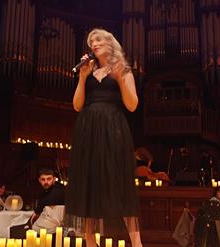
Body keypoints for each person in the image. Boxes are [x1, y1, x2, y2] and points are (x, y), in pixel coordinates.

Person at [66, 28, 141, 247]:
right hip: (88, 128)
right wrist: (81, 78)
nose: (93, 44)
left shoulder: (122, 69)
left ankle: (136, 243)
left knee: (119, 181)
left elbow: (132, 105)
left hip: (113, 128)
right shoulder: (87, 71)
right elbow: (77, 105)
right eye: (91, 41)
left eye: (98, 39)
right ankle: (90, 241)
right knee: (89, 179)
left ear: (110, 42)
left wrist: (119, 78)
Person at [10, 168, 65, 237]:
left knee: (16, 231)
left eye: (49, 179)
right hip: (47, 225)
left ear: (54, 179)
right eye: (43, 179)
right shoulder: (47, 191)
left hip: (50, 228)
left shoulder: (57, 191)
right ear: (39, 180)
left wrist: (29, 225)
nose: (46, 182)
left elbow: (37, 213)